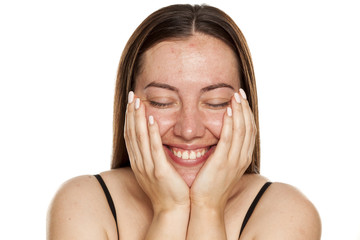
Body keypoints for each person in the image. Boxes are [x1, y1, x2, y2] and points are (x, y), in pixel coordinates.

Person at [47, 4, 321, 240]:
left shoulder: (287, 211)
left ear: (246, 110)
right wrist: (170, 210)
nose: (189, 130)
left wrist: (207, 207)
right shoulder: (82, 202)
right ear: (128, 106)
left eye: (216, 102)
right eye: (162, 101)